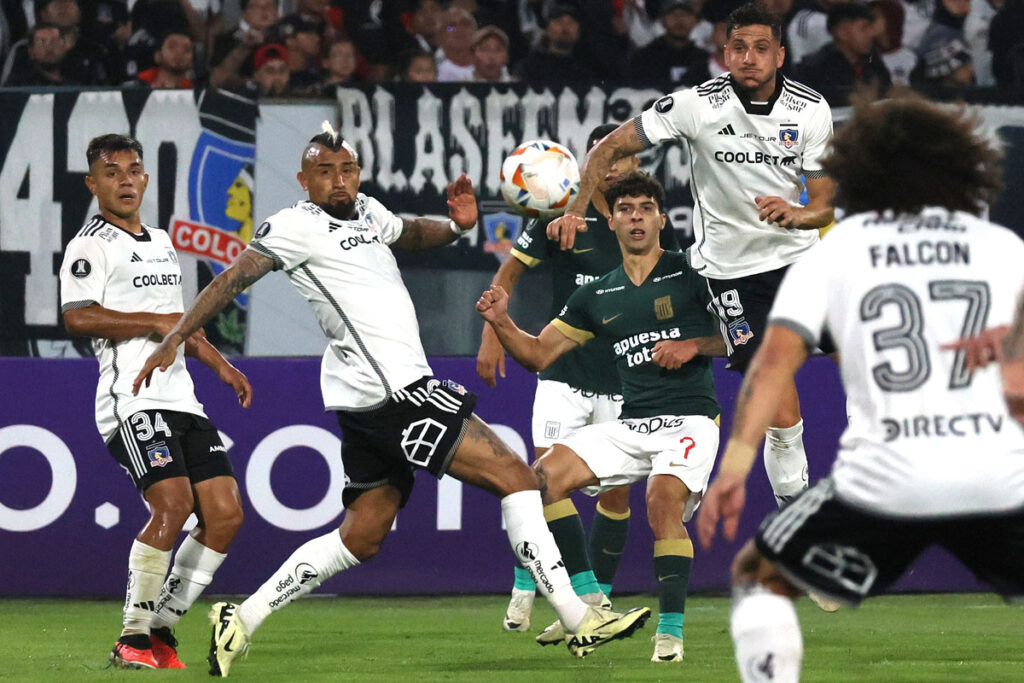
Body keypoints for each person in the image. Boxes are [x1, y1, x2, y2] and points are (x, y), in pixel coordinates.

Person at [134, 123, 651, 677]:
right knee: (518, 478)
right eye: (326, 173)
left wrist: (456, 226)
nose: (339, 181)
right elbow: (232, 280)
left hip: (368, 398)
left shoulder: (366, 212)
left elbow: (410, 233)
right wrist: (175, 337)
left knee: (362, 534)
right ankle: (579, 618)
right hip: (394, 391)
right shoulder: (291, 226)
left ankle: (242, 617)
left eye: (348, 170)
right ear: (304, 179)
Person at [696, 94, 1024, 683]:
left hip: (885, 482)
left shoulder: (839, 250)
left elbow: (771, 368)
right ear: (959, 163)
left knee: (757, 576)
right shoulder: (1002, 249)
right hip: (996, 477)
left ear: (858, 169)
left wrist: (735, 469)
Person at [546, 2, 839, 577]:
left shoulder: (811, 111)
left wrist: (798, 214)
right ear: (724, 52)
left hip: (799, 263)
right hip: (730, 276)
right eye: (738, 48)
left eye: (760, 48)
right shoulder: (696, 105)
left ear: (779, 54)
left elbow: (824, 200)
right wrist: (580, 208)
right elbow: (608, 147)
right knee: (775, 395)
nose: (748, 59)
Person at [477, 171, 725, 663]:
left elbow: (745, 334)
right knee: (538, 479)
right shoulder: (596, 296)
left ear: (660, 219)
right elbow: (538, 355)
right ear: (610, 220)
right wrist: (502, 321)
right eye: (626, 209)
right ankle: (590, 599)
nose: (636, 217)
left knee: (660, 503)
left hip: (691, 420)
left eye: (646, 209)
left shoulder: (693, 273)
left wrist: (694, 344)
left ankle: (670, 636)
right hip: (632, 423)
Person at [59, 134, 251, 670]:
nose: (124, 179)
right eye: (111, 171)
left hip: (183, 400)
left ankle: (163, 627)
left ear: (145, 179)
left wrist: (220, 365)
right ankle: (132, 636)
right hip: (132, 398)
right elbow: (77, 315)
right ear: (92, 183)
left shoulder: (163, 241)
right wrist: (153, 323)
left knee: (226, 515)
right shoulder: (88, 245)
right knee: (173, 505)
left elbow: (180, 322)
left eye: (133, 170)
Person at [795, 2, 892, 105]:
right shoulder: (814, 69)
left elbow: (887, 91)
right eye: (864, 28)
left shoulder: (872, 59)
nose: (871, 34)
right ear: (843, 32)